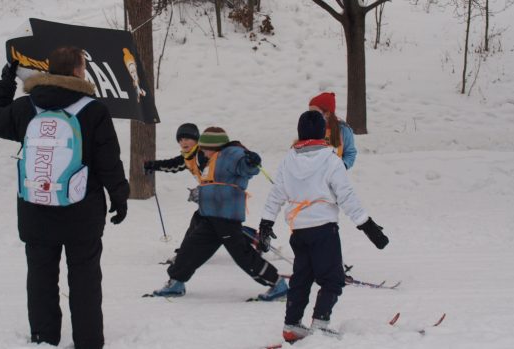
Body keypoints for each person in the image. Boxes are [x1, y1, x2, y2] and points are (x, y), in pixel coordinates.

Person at [0, 46, 130, 349]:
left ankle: (43, 337)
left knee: (40, 276)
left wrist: (5, 82)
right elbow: (107, 160)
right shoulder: (93, 109)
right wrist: (119, 195)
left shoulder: (27, 106)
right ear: (78, 71)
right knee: (85, 278)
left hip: (36, 208)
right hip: (82, 211)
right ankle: (88, 341)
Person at [258, 111, 389, 342]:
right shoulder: (330, 159)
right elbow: (346, 196)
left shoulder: (289, 159)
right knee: (333, 278)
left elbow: (276, 194)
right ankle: (320, 323)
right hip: (324, 230)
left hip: (299, 231)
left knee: (302, 278)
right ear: (322, 133)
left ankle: (292, 325)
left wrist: (266, 223)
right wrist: (367, 225)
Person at [152, 127, 288, 301]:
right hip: (210, 215)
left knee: (242, 254)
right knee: (191, 248)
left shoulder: (232, 154)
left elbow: (247, 168)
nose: (203, 153)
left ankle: (278, 284)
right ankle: (177, 282)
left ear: (214, 146)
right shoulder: (213, 158)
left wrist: (251, 161)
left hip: (226, 215)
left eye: (205, 149)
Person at [143, 123, 208, 263]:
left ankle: (185, 254)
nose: (183, 142)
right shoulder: (188, 156)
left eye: (187, 139)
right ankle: (255, 240)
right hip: (214, 198)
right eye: (180, 140)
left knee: (203, 223)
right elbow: (173, 165)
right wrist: (153, 165)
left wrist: (203, 191)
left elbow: (213, 175)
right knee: (222, 227)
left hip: (221, 197)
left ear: (196, 140)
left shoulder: (201, 155)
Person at [308, 92, 357, 170]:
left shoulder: (344, 130)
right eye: (309, 112)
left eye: (314, 113)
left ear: (327, 114)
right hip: (315, 177)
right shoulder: (309, 128)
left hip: (335, 176)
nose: (310, 116)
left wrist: (342, 167)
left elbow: (350, 153)